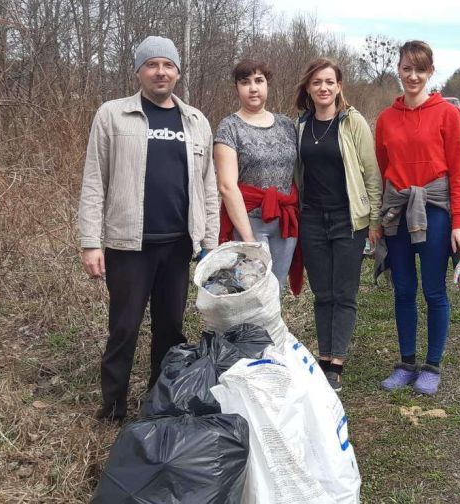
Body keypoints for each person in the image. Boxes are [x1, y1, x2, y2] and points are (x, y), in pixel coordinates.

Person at [78, 36, 219, 421]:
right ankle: (113, 408)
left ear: (178, 72)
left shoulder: (195, 121)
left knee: (170, 329)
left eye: (168, 65)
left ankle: (160, 402)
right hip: (129, 245)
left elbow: (208, 186)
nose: (161, 72)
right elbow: (94, 180)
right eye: (152, 65)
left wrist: (209, 242)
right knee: (124, 328)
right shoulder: (113, 115)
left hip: (178, 245)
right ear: (139, 71)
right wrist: (90, 241)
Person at [375, 40, 460, 395]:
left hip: (435, 210)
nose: (413, 76)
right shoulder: (386, 119)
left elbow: (457, 172)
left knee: (434, 290)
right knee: (403, 289)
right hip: (398, 211)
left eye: (420, 69)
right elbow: (383, 172)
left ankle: (432, 366)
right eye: (407, 68)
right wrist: (378, 221)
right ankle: (406, 364)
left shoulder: (447, 114)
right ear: (398, 70)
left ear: (431, 71)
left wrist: (459, 223)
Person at [293, 57, 382, 391]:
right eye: (317, 82)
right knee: (322, 294)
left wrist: (374, 220)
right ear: (308, 87)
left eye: (329, 82)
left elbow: (371, 174)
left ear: (339, 86)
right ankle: (324, 357)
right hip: (312, 220)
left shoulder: (352, 122)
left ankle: (337, 365)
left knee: (344, 293)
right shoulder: (301, 125)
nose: (323, 88)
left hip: (348, 220)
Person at [214, 59, 301, 295]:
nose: (253, 88)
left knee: (275, 290)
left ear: (267, 85)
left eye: (259, 81)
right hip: (249, 222)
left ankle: (272, 322)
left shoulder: (286, 125)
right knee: (249, 292)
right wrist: (248, 239)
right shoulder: (229, 127)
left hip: (284, 223)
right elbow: (227, 186)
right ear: (237, 88)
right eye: (245, 82)